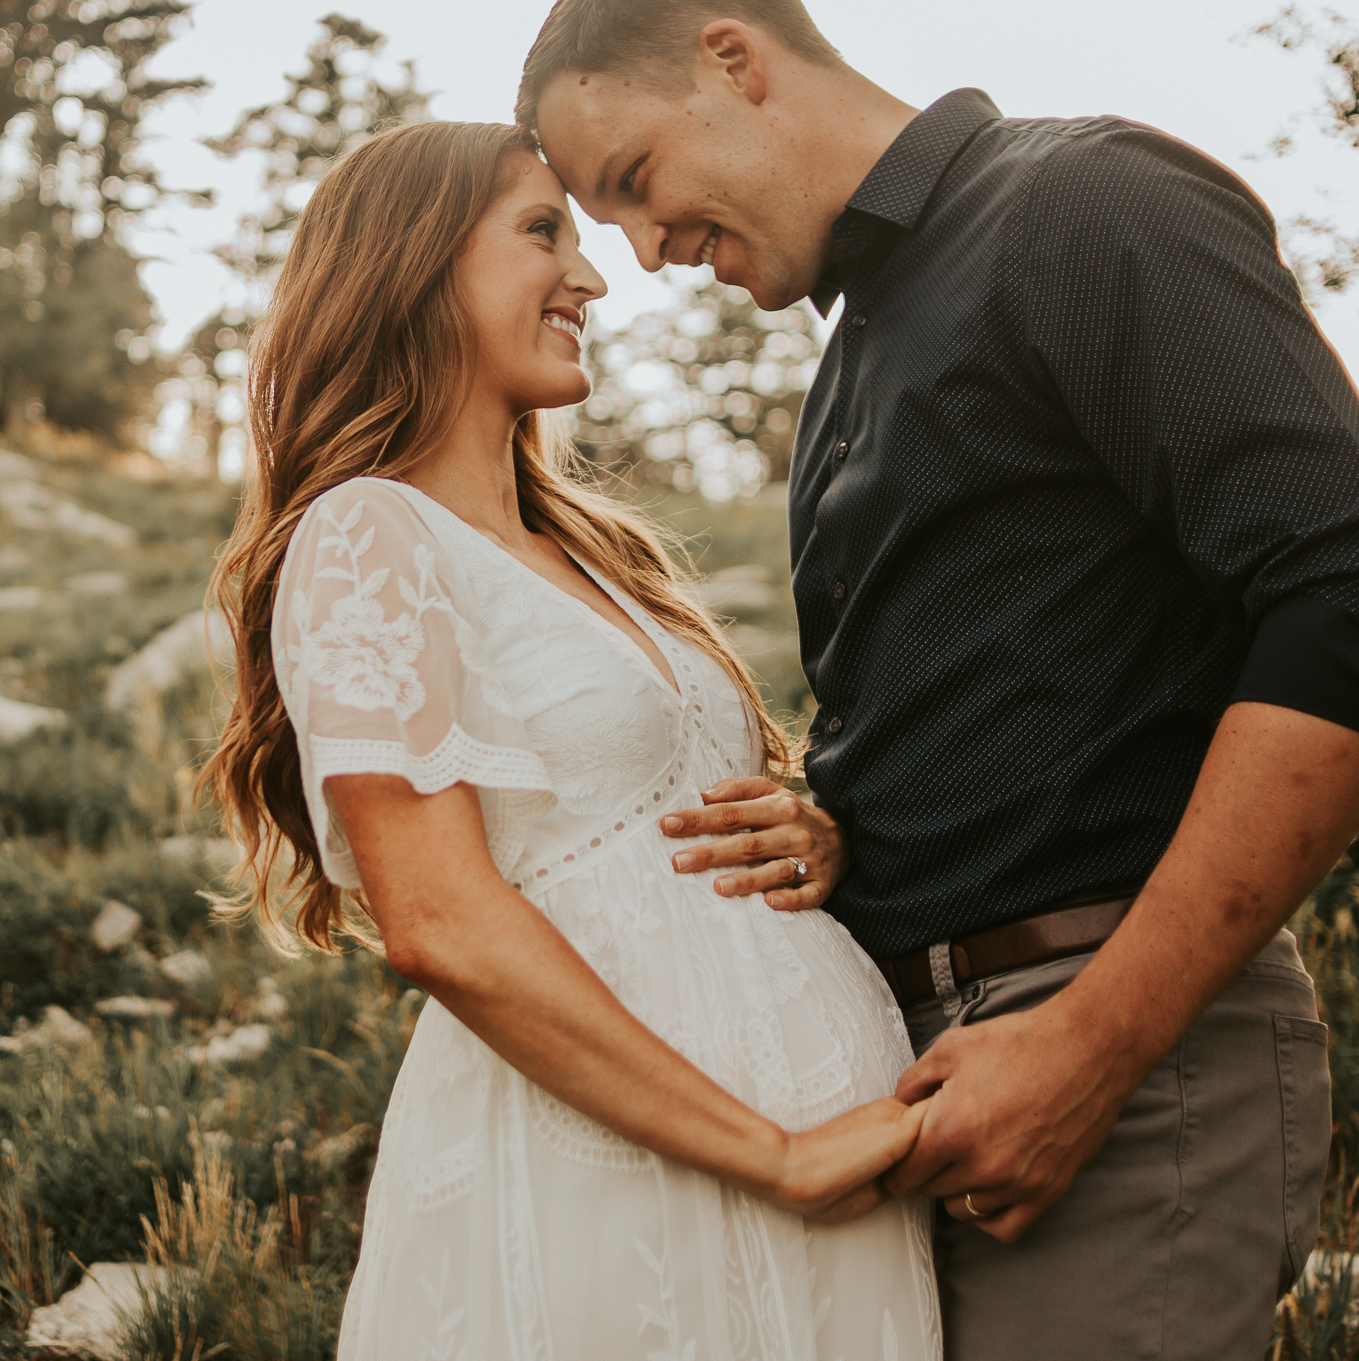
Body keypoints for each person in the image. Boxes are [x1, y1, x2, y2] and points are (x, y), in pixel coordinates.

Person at [516, 0, 1359, 1359]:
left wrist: (1093, 1042)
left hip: (1105, 1049)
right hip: (922, 1074)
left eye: (636, 180)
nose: (645, 253)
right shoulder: (852, 356)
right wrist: (838, 821)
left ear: (733, 59)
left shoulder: (1081, 202)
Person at [202, 118, 943, 1359]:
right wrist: (773, 1149)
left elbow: (669, 809)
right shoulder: (368, 533)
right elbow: (439, 921)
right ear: (413, 261)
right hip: (621, 1176)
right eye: (542, 231)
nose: (590, 277)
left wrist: (809, 832)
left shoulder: (597, 554)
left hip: (824, 1181)